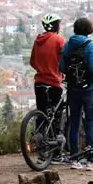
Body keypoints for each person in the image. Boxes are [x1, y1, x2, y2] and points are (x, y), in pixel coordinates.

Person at [59, 17, 93, 171]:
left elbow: (62, 67)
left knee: (74, 123)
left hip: (73, 89)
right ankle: (91, 161)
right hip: (89, 89)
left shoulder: (67, 45)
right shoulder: (90, 45)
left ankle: (74, 159)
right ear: (88, 29)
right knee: (90, 123)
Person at [30, 13, 66, 164]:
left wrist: (42, 69)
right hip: (53, 82)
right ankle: (56, 154)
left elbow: (32, 61)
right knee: (56, 117)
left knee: (42, 115)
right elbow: (65, 60)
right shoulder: (59, 40)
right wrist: (59, 72)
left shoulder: (38, 40)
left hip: (39, 82)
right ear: (57, 25)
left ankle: (42, 151)